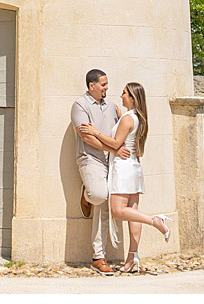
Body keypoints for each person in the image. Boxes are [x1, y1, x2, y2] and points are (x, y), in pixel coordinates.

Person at [79, 81, 171, 274]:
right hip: (135, 169)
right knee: (132, 211)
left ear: (132, 97)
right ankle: (132, 256)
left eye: (124, 93)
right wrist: (121, 117)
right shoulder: (137, 117)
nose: (121, 96)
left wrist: (96, 132)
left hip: (122, 168)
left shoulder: (128, 119)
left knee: (118, 211)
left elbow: (115, 143)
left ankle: (155, 220)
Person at [70, 69, 130, 275]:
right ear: (91, 86)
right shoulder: (80, 106)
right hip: (90, 159)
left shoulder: (112, 107)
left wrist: (122, 117)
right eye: (103, 85)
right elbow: (87, 138)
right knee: (98, 195)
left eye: (107, 84)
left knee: (104, 208)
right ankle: (87, 192)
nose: (107, 88)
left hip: (111, 162)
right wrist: (113, 149)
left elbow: (118, 131)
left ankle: (98, 257)